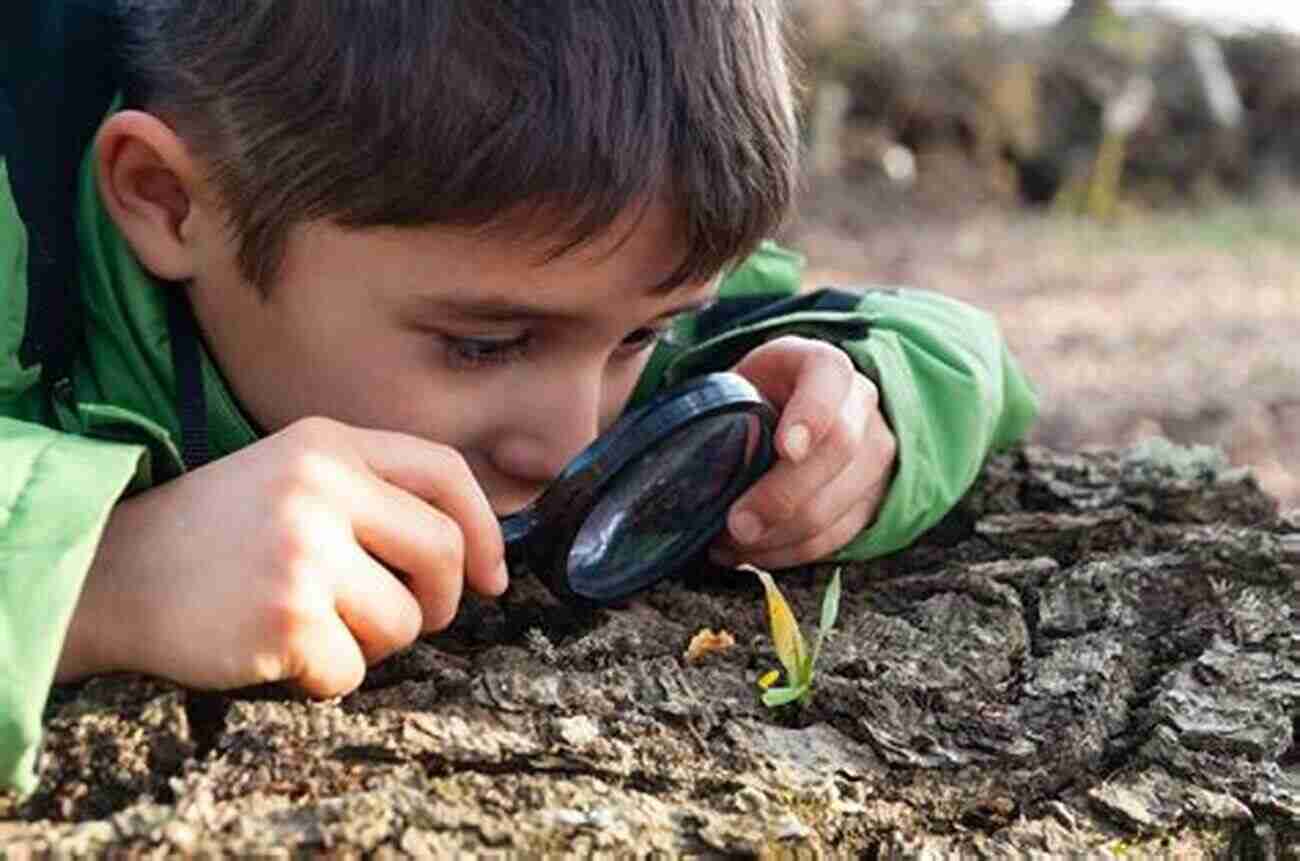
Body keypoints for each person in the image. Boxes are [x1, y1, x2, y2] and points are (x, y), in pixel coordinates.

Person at [0, 0, 1039, 796]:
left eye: (642, 334)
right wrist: (96, 578)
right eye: (482, 345)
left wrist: (873, 406)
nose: (571, 436)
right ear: (169, 200)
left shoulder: (582, 259)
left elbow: (946, 343)